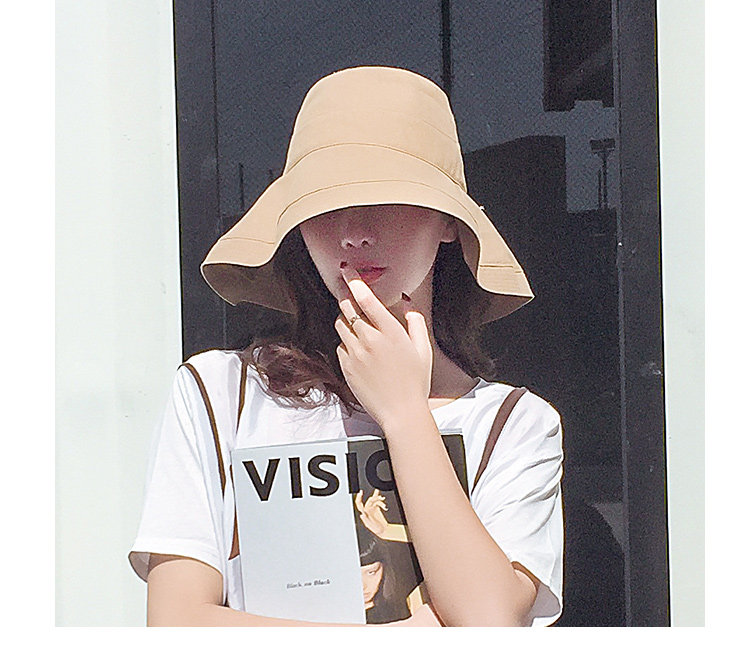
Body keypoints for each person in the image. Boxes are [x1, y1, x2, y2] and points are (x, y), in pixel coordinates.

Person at [129, 66, 564, 627]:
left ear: (449, 223)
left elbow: (489, 626)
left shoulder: (514, 425)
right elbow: (176, 624)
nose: (355, 231)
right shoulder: (219, 393)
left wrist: (405, 414)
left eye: (389, 198)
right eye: (324, 205)